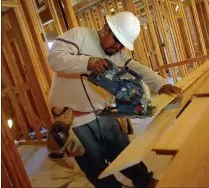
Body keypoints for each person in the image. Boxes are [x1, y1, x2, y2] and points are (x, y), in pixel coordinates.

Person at [47, 11, 182, 188]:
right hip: (74, 119)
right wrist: (87, 61)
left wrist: (160, 84)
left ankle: (145, 182)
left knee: (123, 150)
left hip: (103, 112)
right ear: (105, 29)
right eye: (116, 40)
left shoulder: (117, 55)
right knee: (94, 164)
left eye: (122, 45)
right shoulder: (80, 35)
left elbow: (136, 68)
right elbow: (54, 59)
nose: (117, 47)